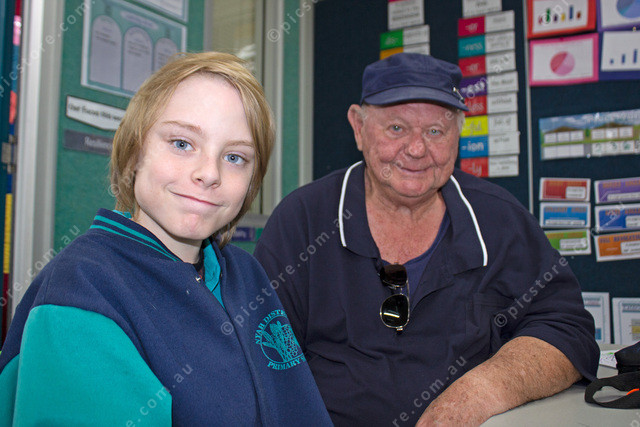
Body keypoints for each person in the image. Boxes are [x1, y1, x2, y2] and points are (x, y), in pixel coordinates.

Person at [254, 52, 599, 426]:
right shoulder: (303, 221)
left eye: (435, 131)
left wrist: (480, 392)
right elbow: (259, 351)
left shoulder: (500, 220)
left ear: (457, 134)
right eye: (396, 128)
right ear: (358, 127)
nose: (417, 149)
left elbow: (567, 330)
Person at [0, 52, 331, 426]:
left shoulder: (246, 273)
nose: (209, 173)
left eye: (235, 157)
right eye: (182, 143)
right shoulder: (82, 292)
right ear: (135, 153)